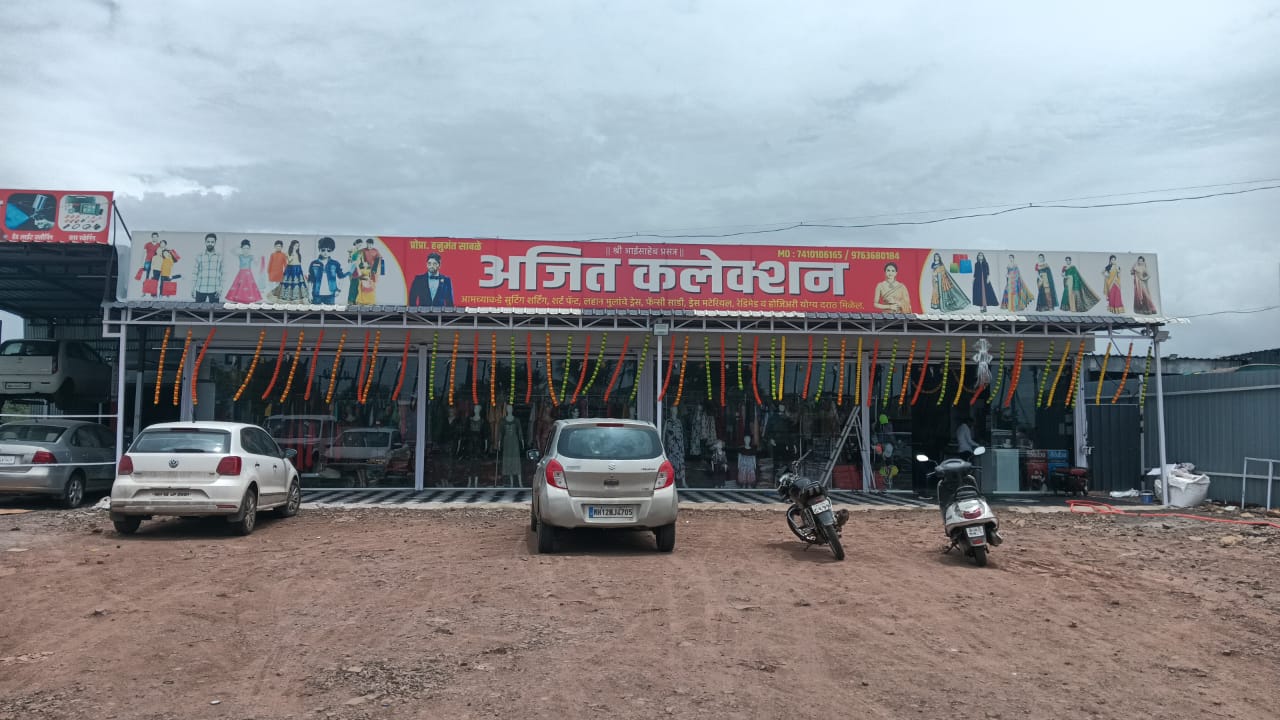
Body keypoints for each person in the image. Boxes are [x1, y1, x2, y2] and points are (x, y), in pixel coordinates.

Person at [308, 236, 349, 305]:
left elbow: (341, 277)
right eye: (323, 250)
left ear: (332, 251)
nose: (325, 252)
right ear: (319, 249)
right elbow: (310, 280)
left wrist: (338, 290)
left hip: (330, 295)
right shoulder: (314, 263)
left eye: (328, 250)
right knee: (315, 311)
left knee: (330, 312)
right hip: (316, 294)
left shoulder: (335, 264)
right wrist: (309, 294)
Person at [224, 238, 263, 303]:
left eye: (247, 248)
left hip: (248, 274)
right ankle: (240, 299)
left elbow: (256, 264)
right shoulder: (240, 256)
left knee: (249, 287)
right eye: (244, 248)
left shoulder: (251, 256)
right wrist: (238, 246)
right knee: (239, 287)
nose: (246, 250)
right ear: (241, 249)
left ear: (249, 249)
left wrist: (259, 258)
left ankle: (247, 300)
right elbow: (232, 251)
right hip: (241, 274)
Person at [192, 233, 224, 303]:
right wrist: (193, 288)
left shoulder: (220, 256)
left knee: (215, 309)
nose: (210, 244)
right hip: (200, 288)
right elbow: (195, 273)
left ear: (215, 243)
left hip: (215, 289)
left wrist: (220, 288)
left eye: (212, 242)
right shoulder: (199, 256)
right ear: (205, 242)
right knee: (198, 309)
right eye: (208, 242)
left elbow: (223, 274)